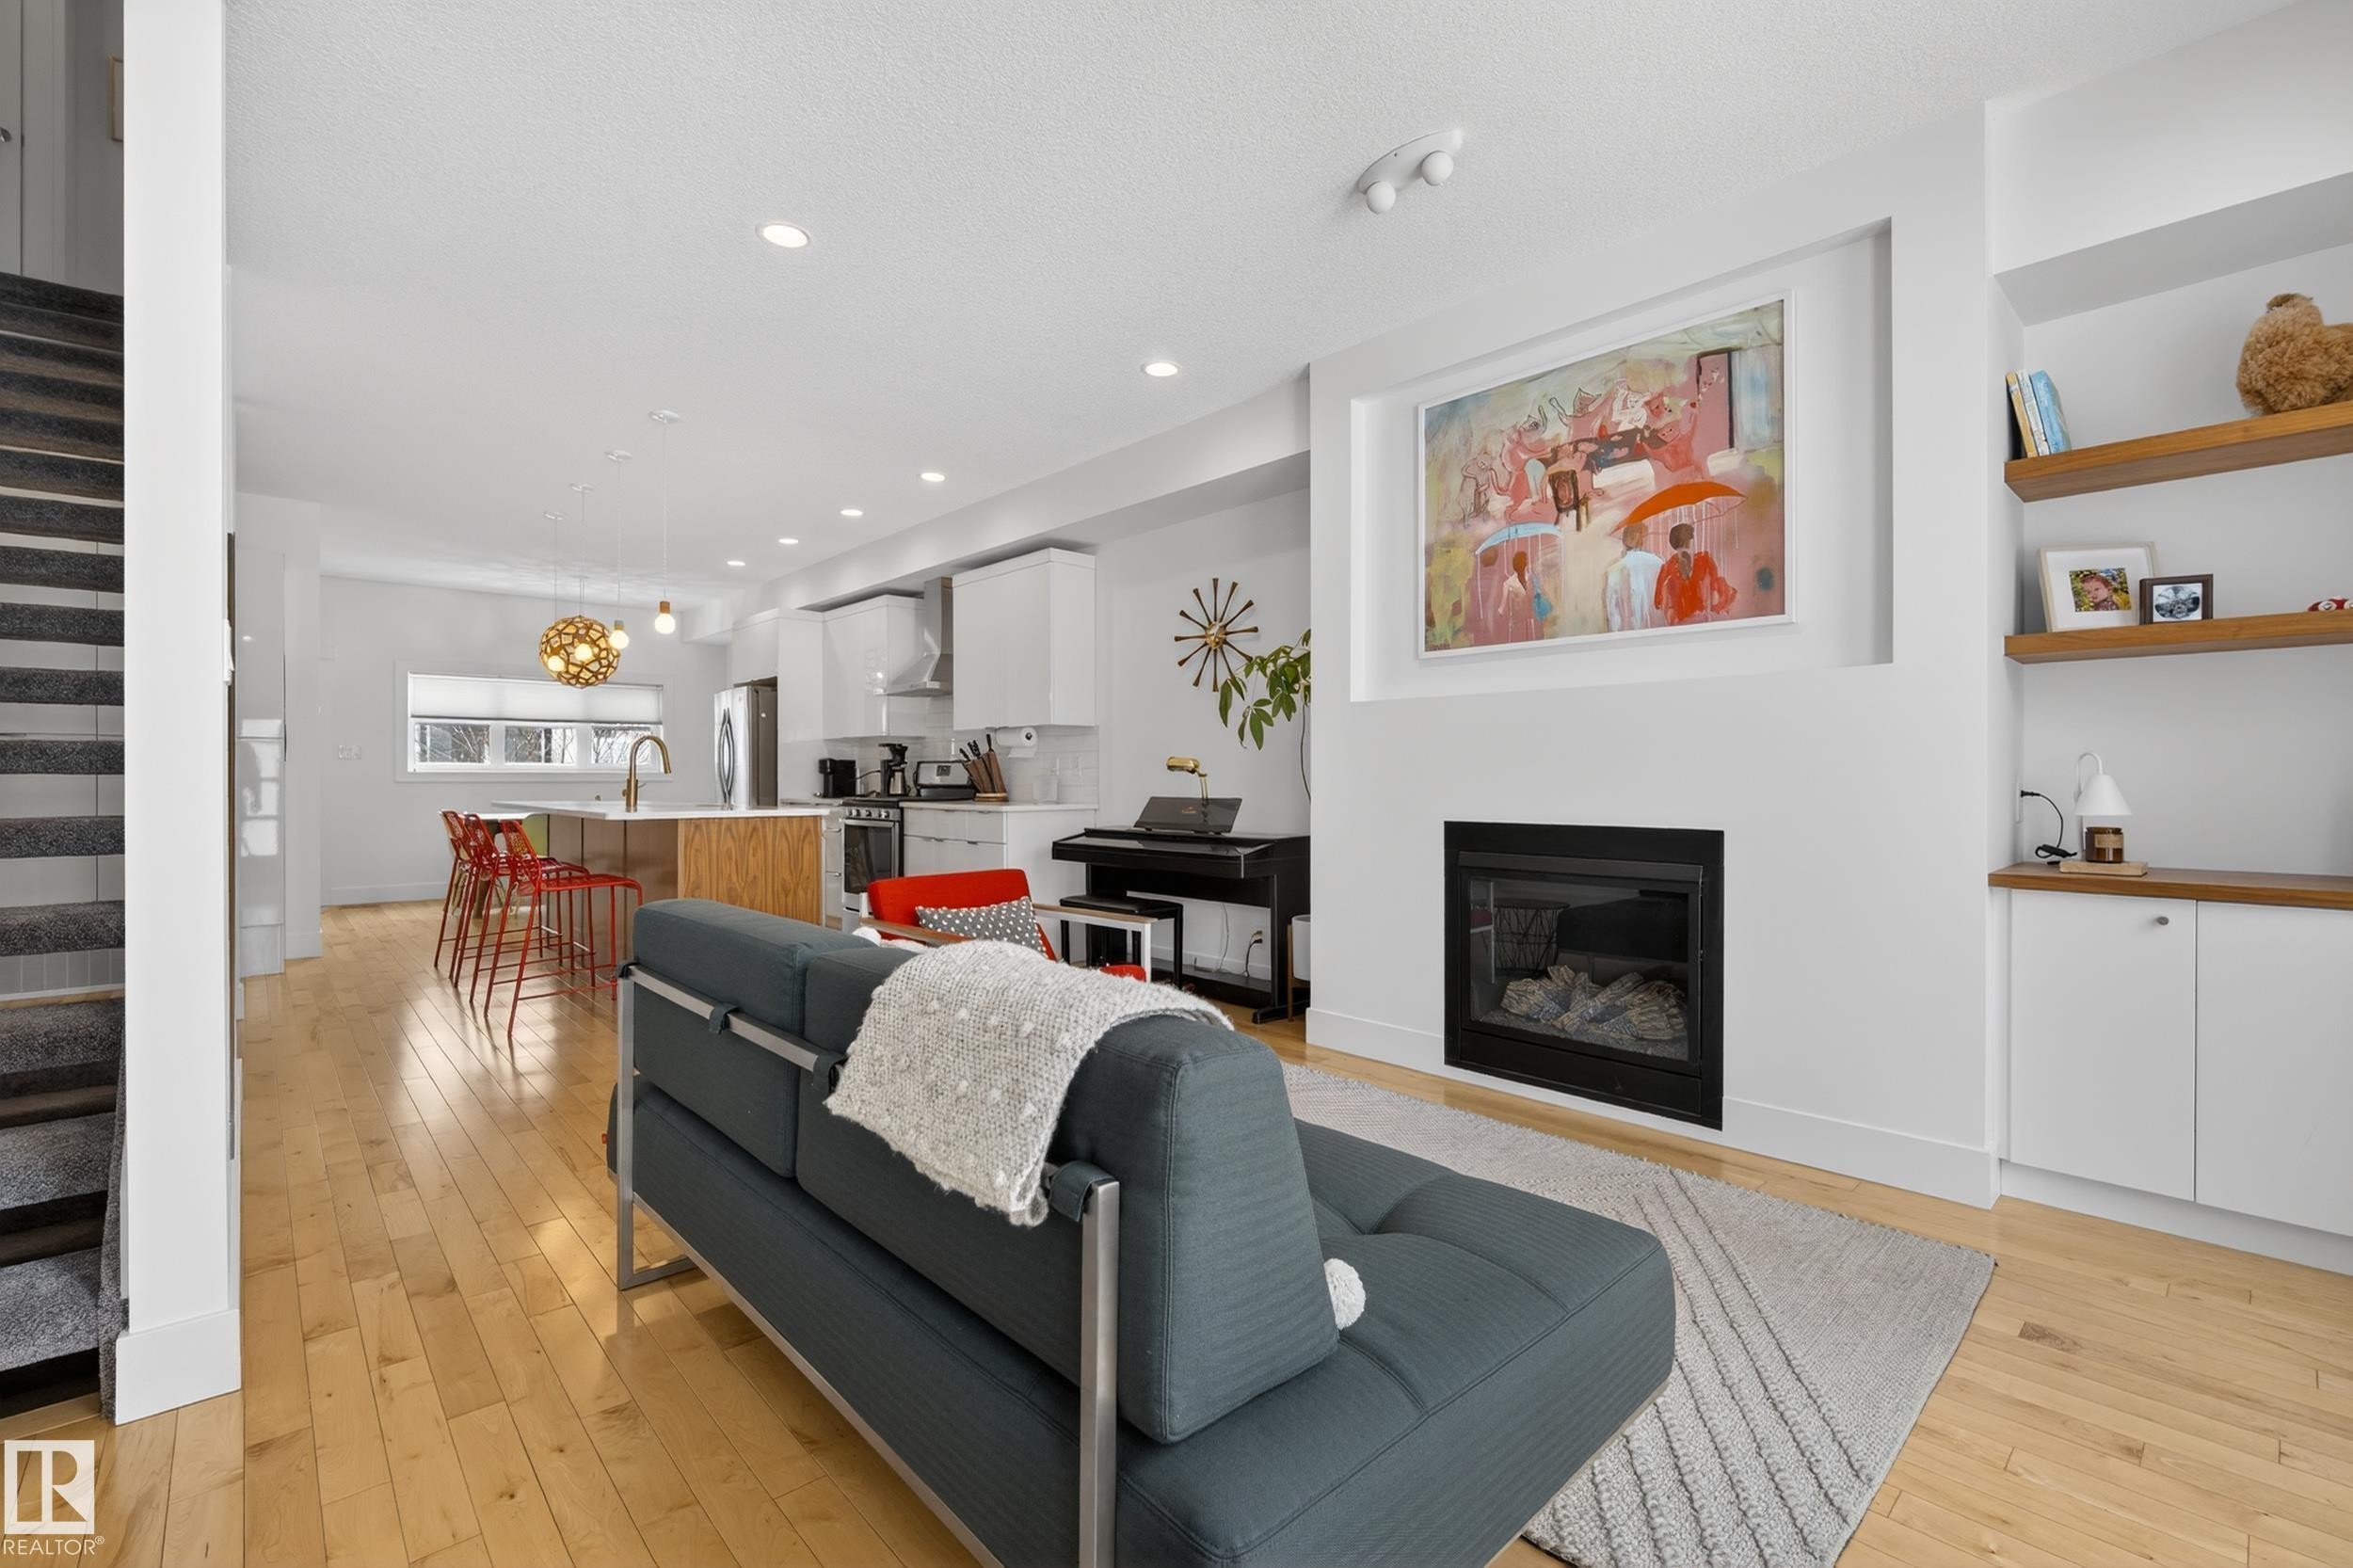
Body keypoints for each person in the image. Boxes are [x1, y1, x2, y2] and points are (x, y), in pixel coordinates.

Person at [1653, 520, 1736, 625]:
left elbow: (1657, 602)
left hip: (1680, 623)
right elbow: (1717, 589)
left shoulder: (1667, 567)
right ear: (1690, 540)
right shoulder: (1704, 559)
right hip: (1703, 620)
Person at [1606, 520, 1665, 633]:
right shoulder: (1659, 563)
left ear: (1624, 541)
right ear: (1644, 539)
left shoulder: (1614, 570)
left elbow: (1613, 612)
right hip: (1658, 631)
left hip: (1629, 634)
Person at [1494, 549, 1537, 643]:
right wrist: (1499, 614)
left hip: (1531, 621)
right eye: (1525, 561)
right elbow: (1502, 606)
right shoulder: (1508, 583)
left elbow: (1536, 597)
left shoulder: (1532, 579)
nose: (1527, 563)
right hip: (1517, 623)